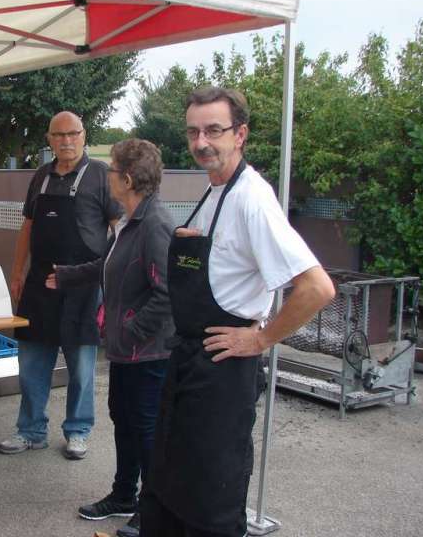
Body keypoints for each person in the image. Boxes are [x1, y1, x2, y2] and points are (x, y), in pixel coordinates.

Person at [142, 87, 335, 537]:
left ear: (240, 134)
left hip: (224, 371)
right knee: (169, 484)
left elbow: (317, 288)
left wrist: (261, 338)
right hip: (189, 359)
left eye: (214, 130)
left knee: (210, 497)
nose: (201, 142)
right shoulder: (213, 193)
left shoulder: (252, 198)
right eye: (193, 131)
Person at [46, 138, 174, 537]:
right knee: (124, 420)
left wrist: (129, 330)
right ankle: (124, 495)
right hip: (125, 351)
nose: (108, 175)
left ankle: (152, 512)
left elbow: (168, 294)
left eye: (113, 169)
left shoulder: (155, 225)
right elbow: (110, 264)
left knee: (146, 430)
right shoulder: (129, 221)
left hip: (148, 353)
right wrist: (69, 275)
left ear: (129, 178)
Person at [0, 111, 121, 460]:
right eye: (58, 135)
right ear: (49, 139)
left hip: (83, 286)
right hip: (39, 285)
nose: (66, 141)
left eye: (73, 134)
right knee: (32, 363)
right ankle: (31, 430)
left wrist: (108, 276)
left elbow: (119, 229)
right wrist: (17, 272)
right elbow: (27, 228)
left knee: (81, 366)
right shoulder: (41, 176)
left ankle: (78, 431)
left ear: (84, 136)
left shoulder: (100, 175)